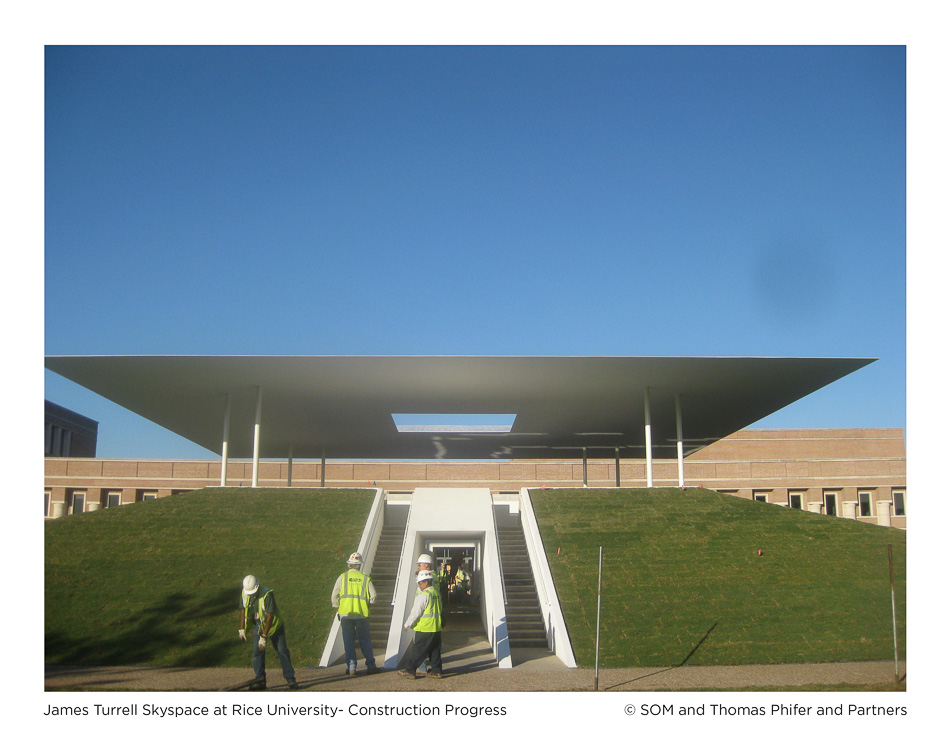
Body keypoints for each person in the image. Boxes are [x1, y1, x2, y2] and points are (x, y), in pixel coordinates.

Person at [239, 574, 297, 690]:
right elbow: (243, 611)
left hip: (274, 626)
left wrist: (264, 637)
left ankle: (290, 679)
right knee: (257, 653)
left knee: (282, 651)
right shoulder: (244, 593)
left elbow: (270, 616)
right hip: (259, 625)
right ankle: (260, 680)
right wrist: (242, 629)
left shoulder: (267, 594)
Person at [331, 552, 380, 676]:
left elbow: (334, 596)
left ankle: (352, 667)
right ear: (359, 565)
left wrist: (337, 606)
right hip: (361, 614)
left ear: (349, 565)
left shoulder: (342, 577)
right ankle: (371, 665)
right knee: (365, 640)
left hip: (345, 614)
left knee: (348, 641)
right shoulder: (365, 578)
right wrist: (366, 604)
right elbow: (373, 596)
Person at [398, 570, 443, 679]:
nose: (419, 585)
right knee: (435, 651)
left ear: (426, 583)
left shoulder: (424, 595)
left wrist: (407, 623)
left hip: (425, 628)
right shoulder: (436, 593)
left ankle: (410, 670)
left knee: (418, 650)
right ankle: (436, 671)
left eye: (420, 583)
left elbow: (416, 612)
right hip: (436, 628)